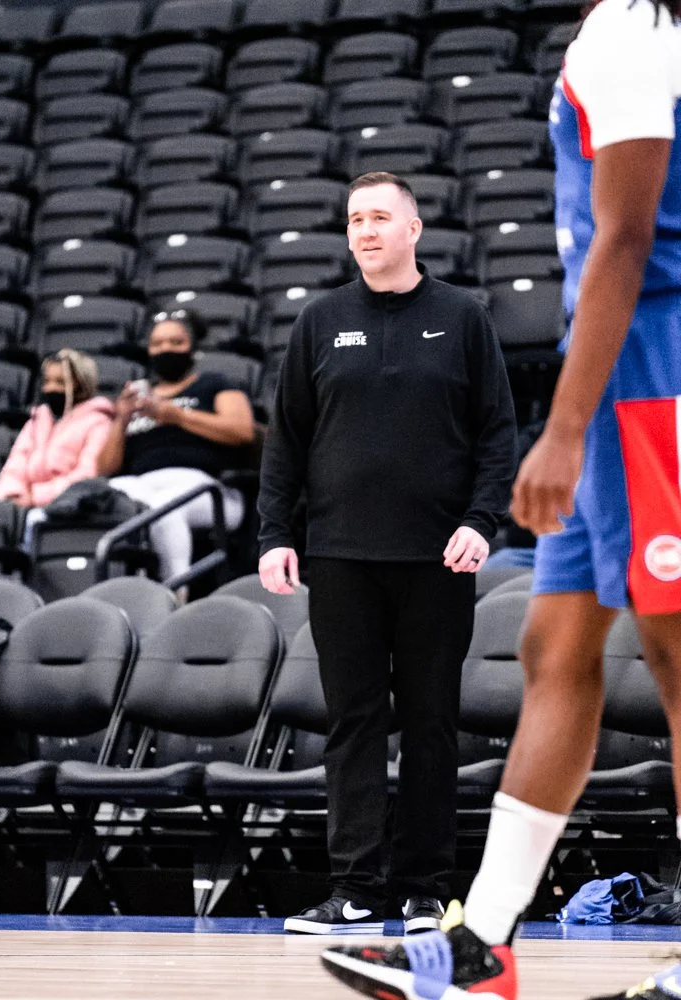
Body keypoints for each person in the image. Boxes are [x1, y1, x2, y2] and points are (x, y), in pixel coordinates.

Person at [321, 0, 681, 997]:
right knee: (553, 650)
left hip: (648, 372)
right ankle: (477, 947)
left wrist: (560, 429)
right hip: (617, 372)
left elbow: (625, 239)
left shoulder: (633, 29)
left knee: (674, 658)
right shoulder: (623, 29)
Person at [258, 171, 518, 935]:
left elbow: (497, 433)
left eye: (379, 217)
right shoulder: (320, 320)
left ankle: (423, 888)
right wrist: (275, 535)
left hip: (440, 556)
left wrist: (482, 520)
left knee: (433, 722)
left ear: (413, 228)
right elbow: (287, 441)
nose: (365, 231)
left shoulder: (462, 317)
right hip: (341, 556)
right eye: (354, 220)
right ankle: (355, 888)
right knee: (354, 722)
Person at [96, 309, 255, 584]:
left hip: (205, 488)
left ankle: (175, 591)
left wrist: (176, 416)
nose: (166, 349)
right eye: (157, 343)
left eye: (176, 342)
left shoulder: (214, 383)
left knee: (161, 508)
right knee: (104, 500)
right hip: (141, 484)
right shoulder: (137, 401)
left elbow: (243, 432)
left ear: (192, 348)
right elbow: (104, 469)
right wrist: (120, 420)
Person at [0, 348, 115, 509]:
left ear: (81, 385)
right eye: (47, 381)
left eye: (60, 382)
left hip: (70, 508)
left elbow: (88, 474)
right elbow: (15, 466)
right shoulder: (37, 420)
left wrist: (36, 496)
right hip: (25, 505)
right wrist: (12, 495)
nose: (50, 389)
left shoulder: (99, 423)